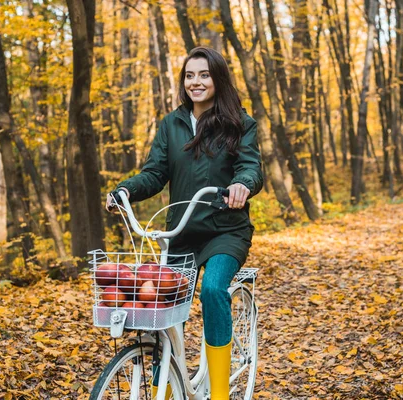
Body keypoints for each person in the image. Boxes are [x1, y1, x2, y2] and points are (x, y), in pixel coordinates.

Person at [106, 46, 263, 399]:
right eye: (190, 75)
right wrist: (125, 191)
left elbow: (250, 166)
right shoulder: (172, 124)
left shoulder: (240, 122)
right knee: (161, 309)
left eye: (204, 75)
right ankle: (171, 381)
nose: (196, 82)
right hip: (182, 235)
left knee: (212, 291)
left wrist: (242, 184)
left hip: (226, 231)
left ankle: (220, 393)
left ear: (218, 79)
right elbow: (155, 173)